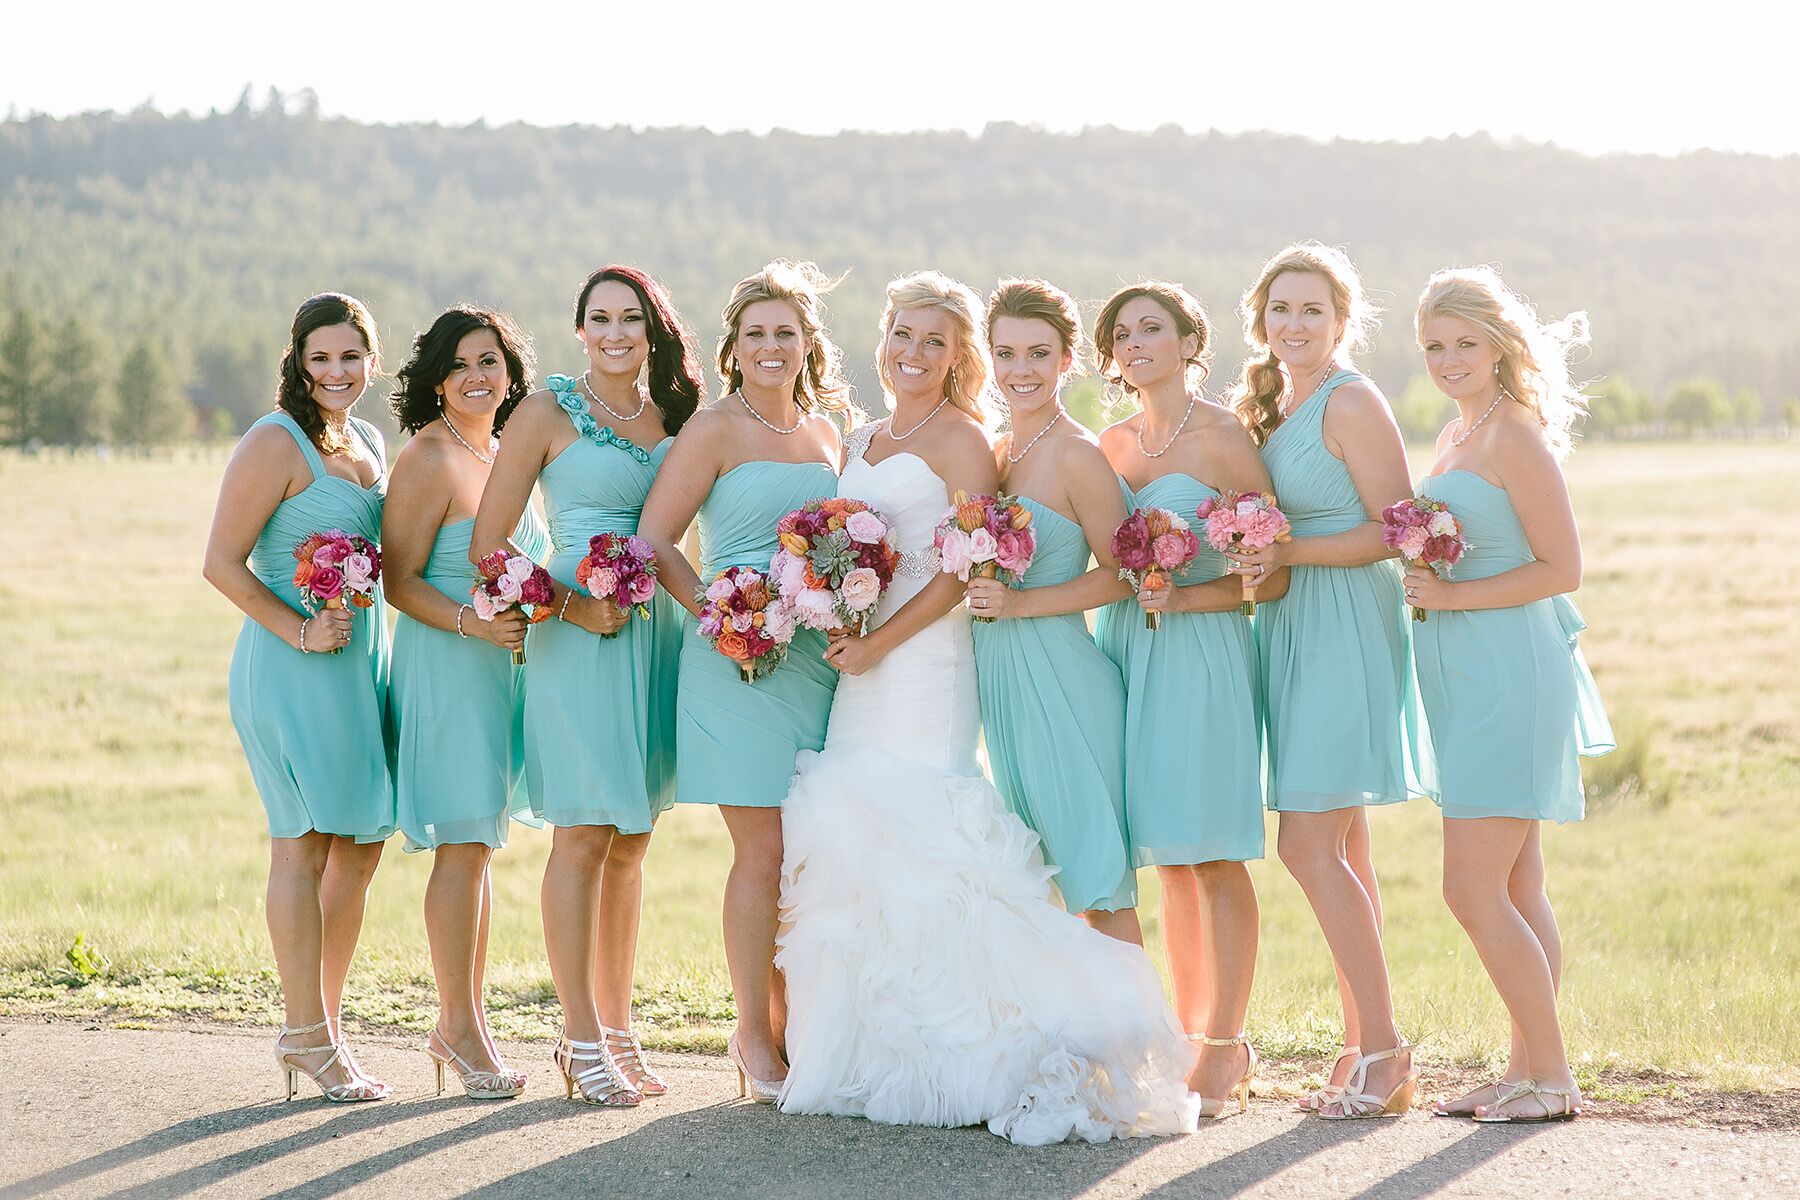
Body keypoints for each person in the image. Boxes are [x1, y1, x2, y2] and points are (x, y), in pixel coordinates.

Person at [775, 271, 1198, 1145]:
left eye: (1033, 353)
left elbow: (1106, 565)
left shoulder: (1008, 446)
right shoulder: (956, 441)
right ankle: (910, 1047)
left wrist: (928, 627)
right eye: (903, 334)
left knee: (1064, 863)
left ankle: (1130, 1056)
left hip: (974, 669)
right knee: (893, 848)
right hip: (955, 671)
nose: (916, 352)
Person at [471, 266, 704, 1105]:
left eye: (630, 318)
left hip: (655, 634)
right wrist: (567, 608)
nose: (616, 333)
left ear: (653, 328)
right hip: (578, 633)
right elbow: (490, 545)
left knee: (631, 841)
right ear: (579, 330)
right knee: (582, 836)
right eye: (600, 319)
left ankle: (617, 1029)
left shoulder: (674, 415)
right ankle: (577, 1039)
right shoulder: (545, 411)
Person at [1224, 243, 1432, 1119]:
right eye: (1281, 310)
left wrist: (1288, 550)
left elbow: (1399, 526)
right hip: (1292, 618)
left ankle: (1384, 1051)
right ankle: (1362, 1049)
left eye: (1313, 311)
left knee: (1306, 844)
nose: (1295, 325)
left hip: (1347, 617)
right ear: (1261, 320)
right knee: (1342, 846)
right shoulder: (1281, 402)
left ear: (1342, 321)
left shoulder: (1352, 400)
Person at [637, 260, 847, 1100]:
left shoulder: (829, 435)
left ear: (807, 345)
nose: (771, 346)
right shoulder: (714, 430)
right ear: (733, 347)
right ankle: (752, 1036)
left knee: (807, 856)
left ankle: (798, 1026)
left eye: (785, 333)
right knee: (762, 852)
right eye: (755, 333)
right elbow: (656, 542)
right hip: (737, 663)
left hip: (815, 667)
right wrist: (722, 622)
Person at [1407, 266, 1614, 1122]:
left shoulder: (1512, 436)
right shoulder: (1460, 434)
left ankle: (1554, 1079)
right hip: (1466, 677)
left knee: (1472, 890)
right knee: (1519, 888)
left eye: (1465, 342)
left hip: (1512, 674)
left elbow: (1562, 569)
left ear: (1499, 346)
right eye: (1434, 347)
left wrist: (1449, 595)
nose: (1449, 359)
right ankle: (1525, 1070)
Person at [1092, 280, 1283, 1117]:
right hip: (1132, 651)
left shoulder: (1224, 437)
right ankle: (1186, 1032)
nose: (1136, 344)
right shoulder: (1113, 445)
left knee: (1213, 851)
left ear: (1186, 339)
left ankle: (1228, 1041)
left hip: (1202, 651)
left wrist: (1191, 598)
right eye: (1122, 334)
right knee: (1168, 852)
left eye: (1151, 329)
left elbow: (1267, 571)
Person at [202, 292, 394, 1102]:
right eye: (320, 357)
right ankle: (302, 1034)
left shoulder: (372, 441)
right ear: (298, 362)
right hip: (291, 663)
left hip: (358, 664)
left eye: (350, 356)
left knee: (359, 846)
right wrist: (300, 630)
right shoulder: (273, 441)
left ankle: (326, 1027)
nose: (336, 371)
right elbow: (221, 562)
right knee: (304, 841)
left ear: (370, 361)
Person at [383, 305, 544, 1098]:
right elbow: (397, 581)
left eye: (491, 362)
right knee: (460, 843)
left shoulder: (506, 452)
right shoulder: (431, 458)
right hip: (449, 664)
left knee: (479, 842)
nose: (479, 377)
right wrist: (471, 625)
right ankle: (457, 1025)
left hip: (500, 669)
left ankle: (463, 1021)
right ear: (436, 380)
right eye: (461, 366)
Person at [969, 278, 1140, 942]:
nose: (1021, 371)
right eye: (1007, 354)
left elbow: (1127, 576)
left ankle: (1133, 1043)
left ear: (1066, 361)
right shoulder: (999, 452)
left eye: (1038, 354)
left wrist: (1020, 606)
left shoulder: (1077, 454)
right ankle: (1072, 1038)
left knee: (1096, 877)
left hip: (1063, 678)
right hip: (1005, 684)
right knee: (1042, 885)